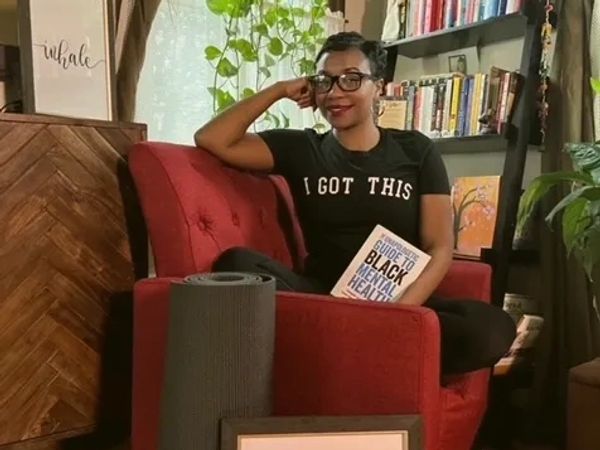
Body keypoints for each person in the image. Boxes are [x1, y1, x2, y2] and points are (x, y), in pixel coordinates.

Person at [194, 31, 515, 374]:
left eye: (352, 80)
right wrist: (278, 90)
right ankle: (367, 348)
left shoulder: (416, 150)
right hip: (321, 298)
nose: (335, 93)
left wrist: (399, 311)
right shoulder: (301, 148)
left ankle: (346, 346)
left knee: (493, 329)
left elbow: (438, 247)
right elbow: (212, 139)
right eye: (324, 82)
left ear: (378, 85)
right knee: (237, 263)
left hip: (397, 302)